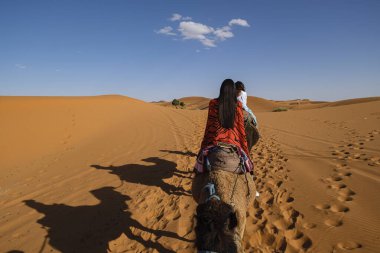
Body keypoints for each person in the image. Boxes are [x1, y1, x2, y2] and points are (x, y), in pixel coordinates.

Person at [194, 79, 253, 174]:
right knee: (247, 170)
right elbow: (241, 130)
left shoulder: (213, 103)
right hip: (234, 144)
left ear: (221, 90)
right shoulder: (238, 105)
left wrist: (202, 148)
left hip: (215, 144)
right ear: (234, 91)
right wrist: (247, 154)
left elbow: (209, 127)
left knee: (199, 170)